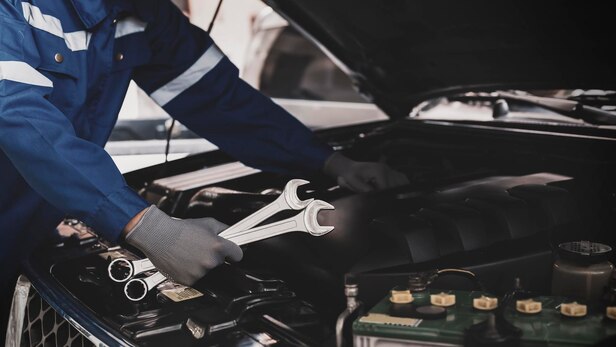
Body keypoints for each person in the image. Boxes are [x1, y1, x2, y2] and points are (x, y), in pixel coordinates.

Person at [0, 0, 408, 339]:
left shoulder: (141, 13)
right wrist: (145, 225)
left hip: (29, 226)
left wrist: (331, 163)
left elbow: (218, 99)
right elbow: (16, 116)